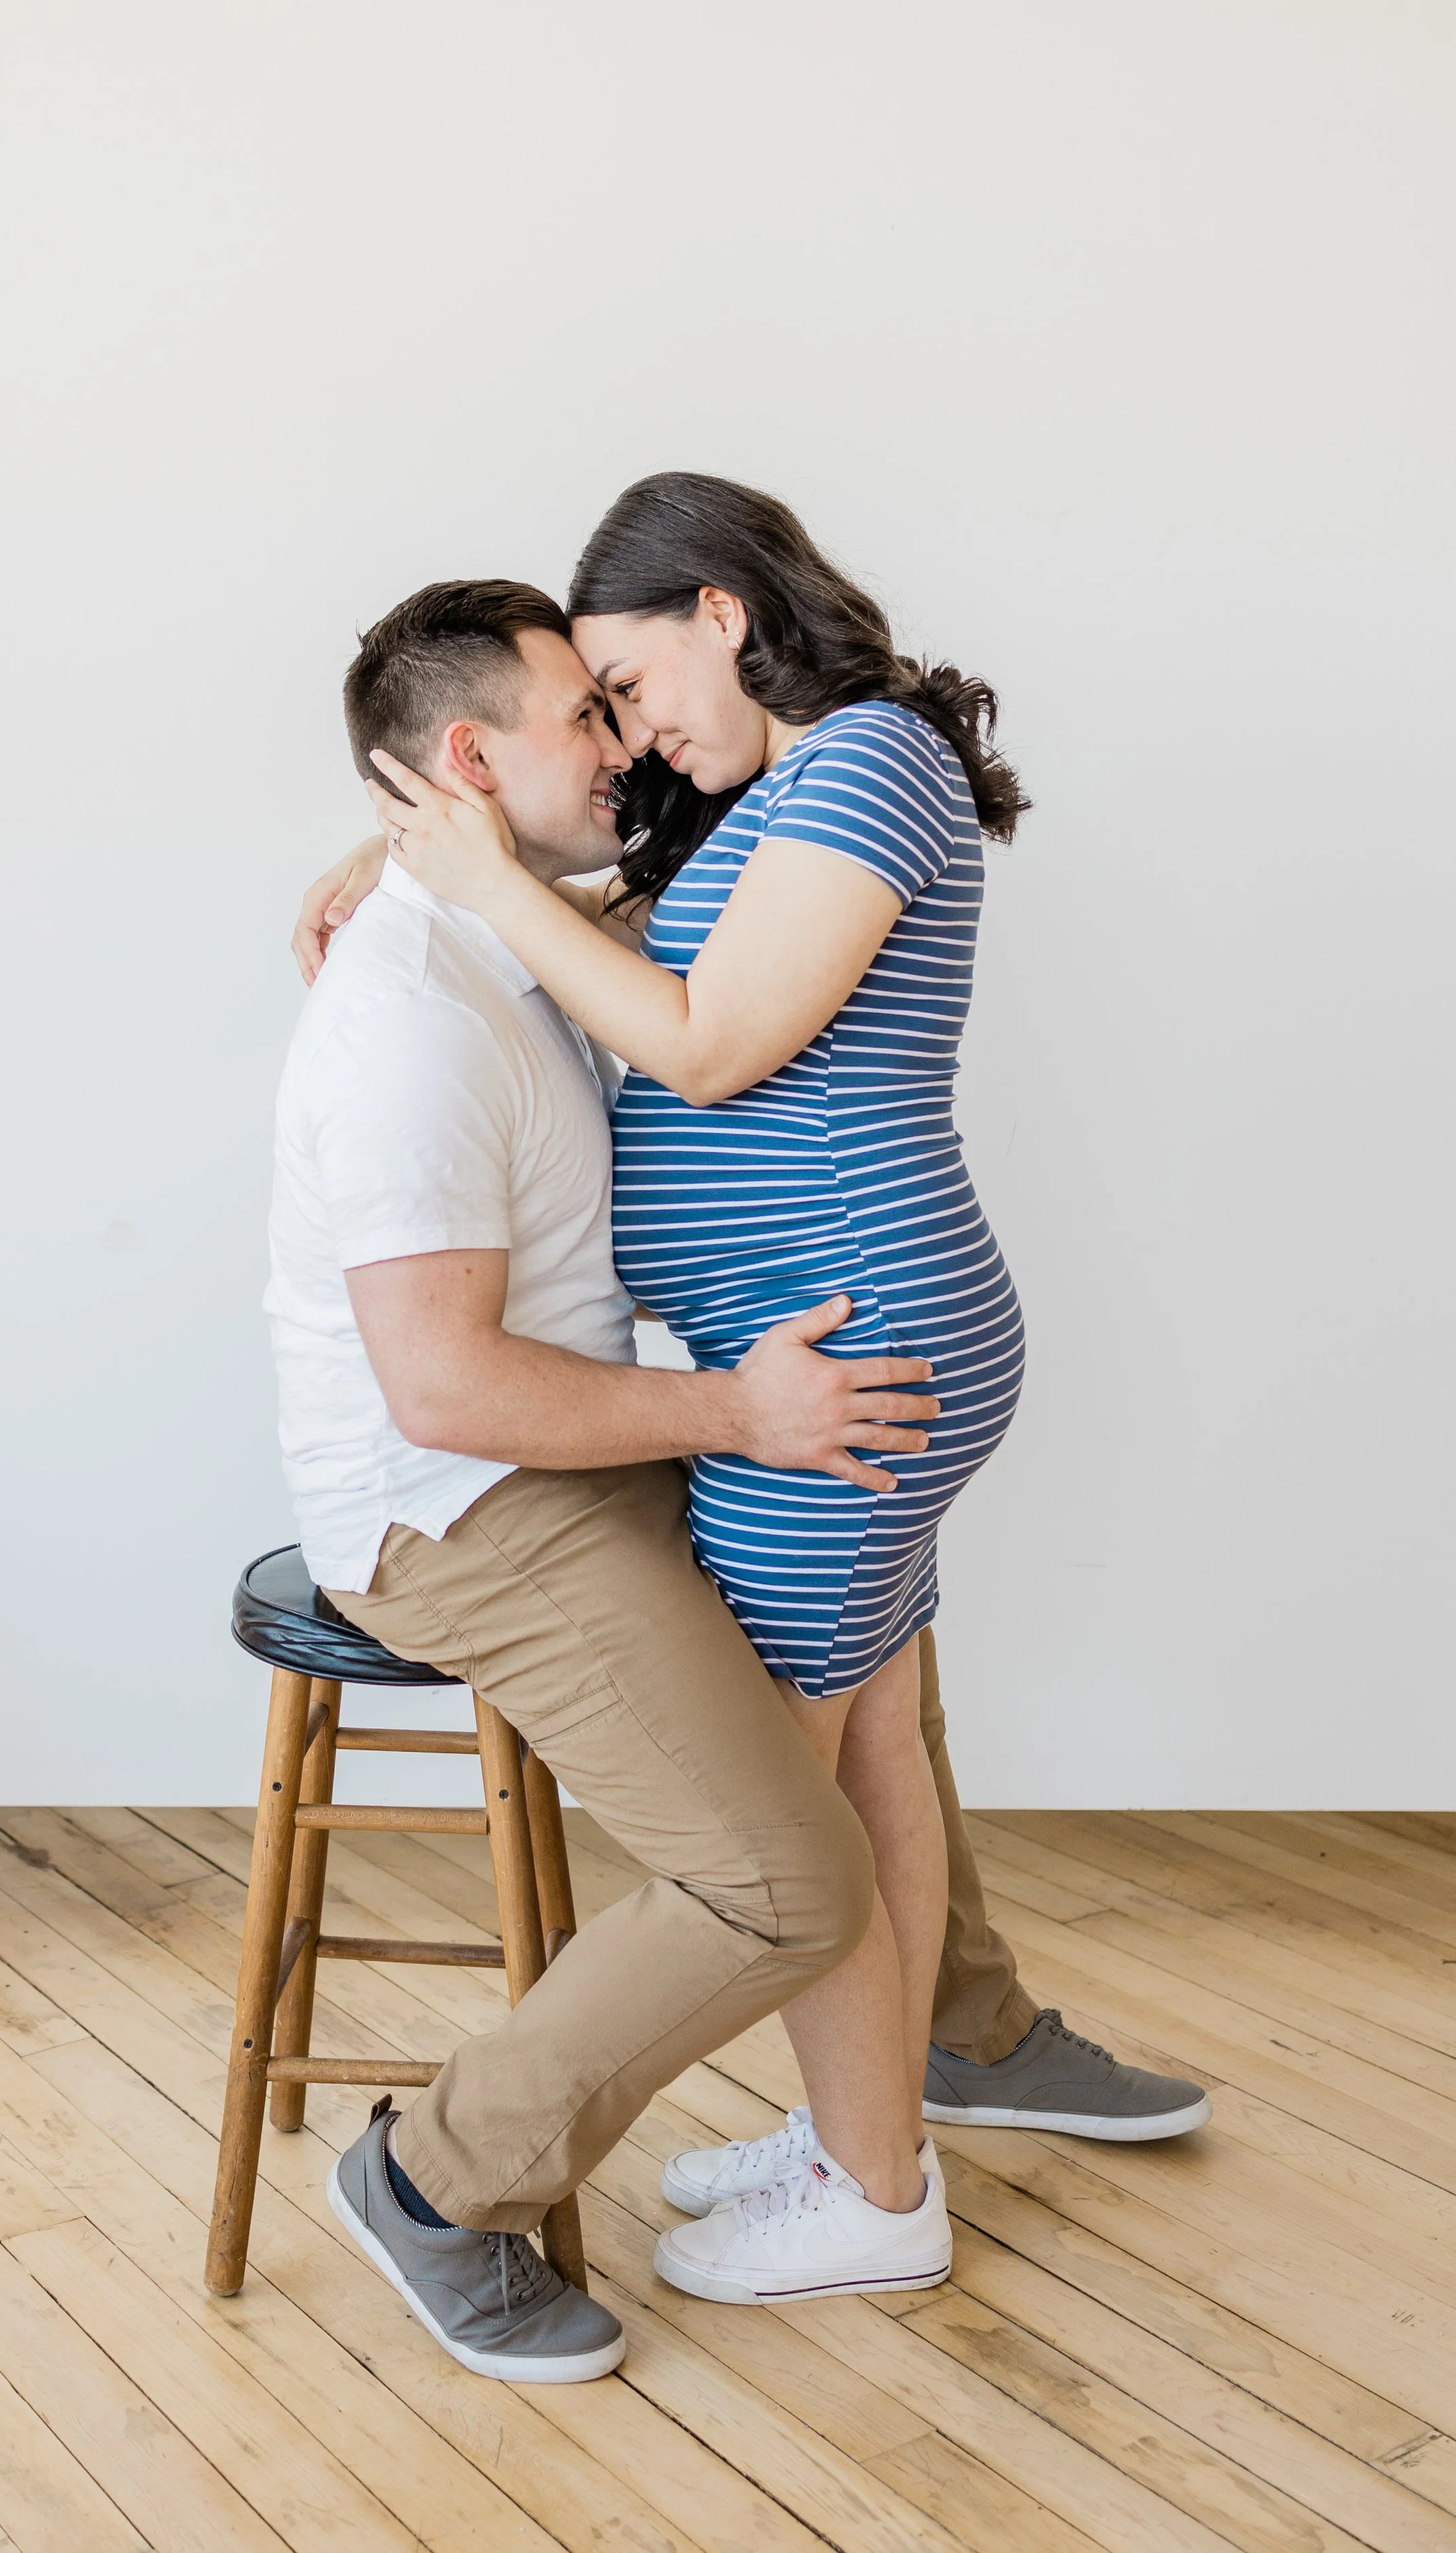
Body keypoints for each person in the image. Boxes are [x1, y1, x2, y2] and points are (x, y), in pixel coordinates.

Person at [308, 477, 1208, 2305]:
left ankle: (868, 2189)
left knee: (769, 1843)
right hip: (822, 1347)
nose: (636, 738)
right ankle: (866, 2130)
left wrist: (474, 871)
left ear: (720, 609)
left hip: (839, 1357)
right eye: (596, 713)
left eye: (630, 683)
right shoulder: (775, 788)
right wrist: (401, 864)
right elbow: (636, 906)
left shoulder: (863, 759)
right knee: (862, 1745)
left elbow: (710, 1040)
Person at [270, 577, 958, 2385]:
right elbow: (442, 1380)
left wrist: (378, 851)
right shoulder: (406, 1017)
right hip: (456, 1505)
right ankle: (433, 2179)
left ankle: (957, 2053)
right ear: (474, 762)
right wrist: (737, 1414)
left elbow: (667, 927)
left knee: (874, 1674)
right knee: (786, 1879)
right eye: (586, 713)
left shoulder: (510, 927)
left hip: (569, 1449)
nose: (625, 740)